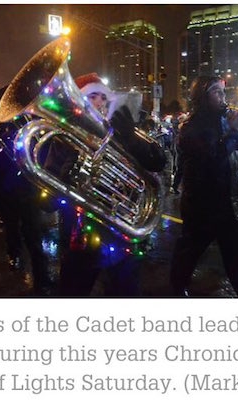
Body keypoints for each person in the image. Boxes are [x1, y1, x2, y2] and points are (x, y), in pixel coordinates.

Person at [55, 73, 167, 296]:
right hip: (80, 237)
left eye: (103, 97)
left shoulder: (120, 131)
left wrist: (131, 139)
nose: (99, 102)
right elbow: (46, 202)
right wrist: (66, 175)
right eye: (92, 96)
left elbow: (158, 161)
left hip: (122, 231)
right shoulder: (62, 136)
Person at [169, 76, 238, 297]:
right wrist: (234, 132)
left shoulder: (224, 120)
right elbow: (213, 156)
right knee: (190, 250)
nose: (223, 97)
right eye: (216, 92)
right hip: (203, 204)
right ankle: (177, 288)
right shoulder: (191, 127)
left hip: (231, 199)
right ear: (202, 97)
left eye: (223, 92)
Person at [0, 93, 57, 296]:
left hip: (27, 190)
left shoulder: (31, 128)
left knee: (34, 236)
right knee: (11, 228)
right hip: (4, 190)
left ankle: (42, 279)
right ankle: (14, 254)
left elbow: (44, 155)